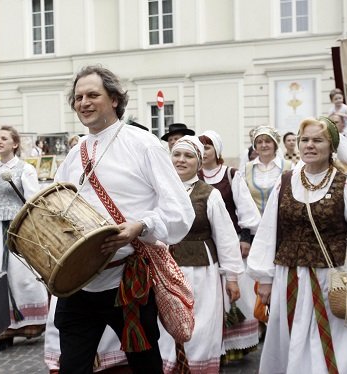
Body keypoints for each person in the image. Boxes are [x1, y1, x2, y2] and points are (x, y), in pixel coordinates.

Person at [47, 65, 194, 374]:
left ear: (114, 99)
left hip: (127, 280)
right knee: (72, 367)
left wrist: (142, 225)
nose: (83, 103)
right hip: (79, 283)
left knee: (144, 366)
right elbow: (59, 210)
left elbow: (180, 210)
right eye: (78, 97)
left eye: (92, 95)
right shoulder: (74, 155)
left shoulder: (144, 144)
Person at [247, 117, 347, 373]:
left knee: (331, 347)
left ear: (331, 146)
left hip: (333, 278)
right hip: (291, 277)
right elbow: (268, 231)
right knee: (290, 344)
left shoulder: (346, 184)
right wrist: (264, 277)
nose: (309, 145)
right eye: (304, 140)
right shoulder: (285, 181)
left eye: (317, 140)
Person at [158, 135, 243, 373]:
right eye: (177, 154)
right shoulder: (159, 190)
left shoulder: (209, 194)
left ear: (198, 162)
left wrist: (232, 277)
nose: (181, 160)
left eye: (188, 156)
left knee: (200, 325)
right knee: (164, 328)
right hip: (164, 271)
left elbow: (226, 238)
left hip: (200, 273)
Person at [0, 125, 48, 353]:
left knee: (21, 277)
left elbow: (32, 200)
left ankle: (31, 324)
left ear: (15, 144)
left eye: (4, 139)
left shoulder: (24, 169)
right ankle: (4, 332)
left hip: (16, 230)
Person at [198, 130, 261, 363]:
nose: (204, 151)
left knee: (235, 294)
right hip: (206, 245)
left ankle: (235, 347)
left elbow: (245, 208)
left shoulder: (230, 175)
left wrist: (246, 237)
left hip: (231, 240)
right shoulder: (194, 177)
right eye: (201, 147)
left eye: (208, 147)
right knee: (211, 296)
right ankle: (213, 344)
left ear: (217, 150)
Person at [242, 125, 293, 214]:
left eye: (268, 141)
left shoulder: (289, 166)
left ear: (275, 145)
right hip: (255, 224)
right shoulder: (247, 168)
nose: (263, 145)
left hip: (281, 222)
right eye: (259, 142)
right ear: (255, 146)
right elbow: (243, 199)